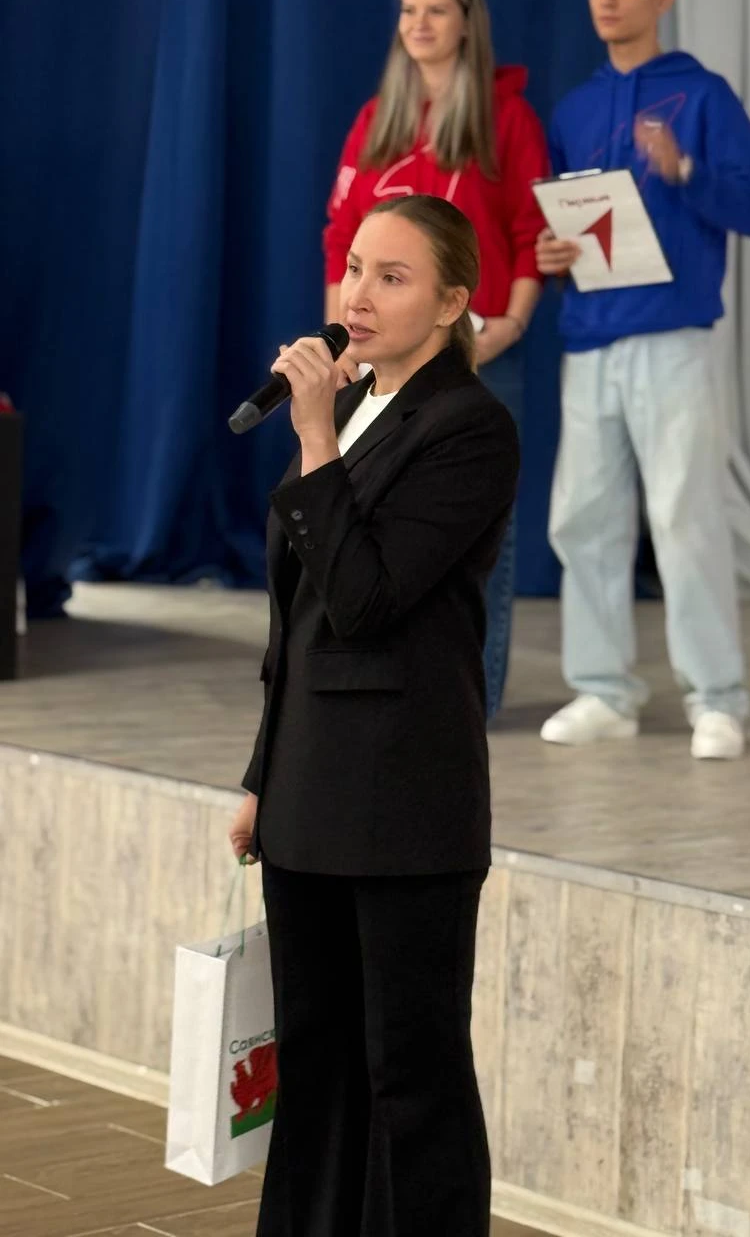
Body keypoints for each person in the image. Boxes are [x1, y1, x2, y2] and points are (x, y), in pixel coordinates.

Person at [229, 195, 519, 1237]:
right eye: (355, 266)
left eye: (392, 277)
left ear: (450, 303)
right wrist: (263, 775)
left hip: (403, 803)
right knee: (313, 1064)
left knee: (410, 1073)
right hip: (309, 792)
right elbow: (298, 626)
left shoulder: (469, 428)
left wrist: (314, 434)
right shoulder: (355, 409)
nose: (358, 292)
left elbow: (364, 600)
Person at [536, 0, 750, 759]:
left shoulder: (703, 95)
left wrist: (685, 170)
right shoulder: (574, 109)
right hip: (589, 339)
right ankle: (604, 690)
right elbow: (568, 221)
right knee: (583, 520)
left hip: (674, 338)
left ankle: (717, 698)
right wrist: (552, 253)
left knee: (684, 517)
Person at [324, 0, 549, 720]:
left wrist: (513, 321)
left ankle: (471, 699)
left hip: (482, 352)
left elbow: (530, 230)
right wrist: (342, 337)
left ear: (467, 23)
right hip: (381, 356)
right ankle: (374, 687)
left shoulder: (505, 119)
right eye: (408, 10)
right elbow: (341, 238)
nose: (419, 24)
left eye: (436, 10)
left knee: (478, 533)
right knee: (370, 514)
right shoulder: (377, 118)